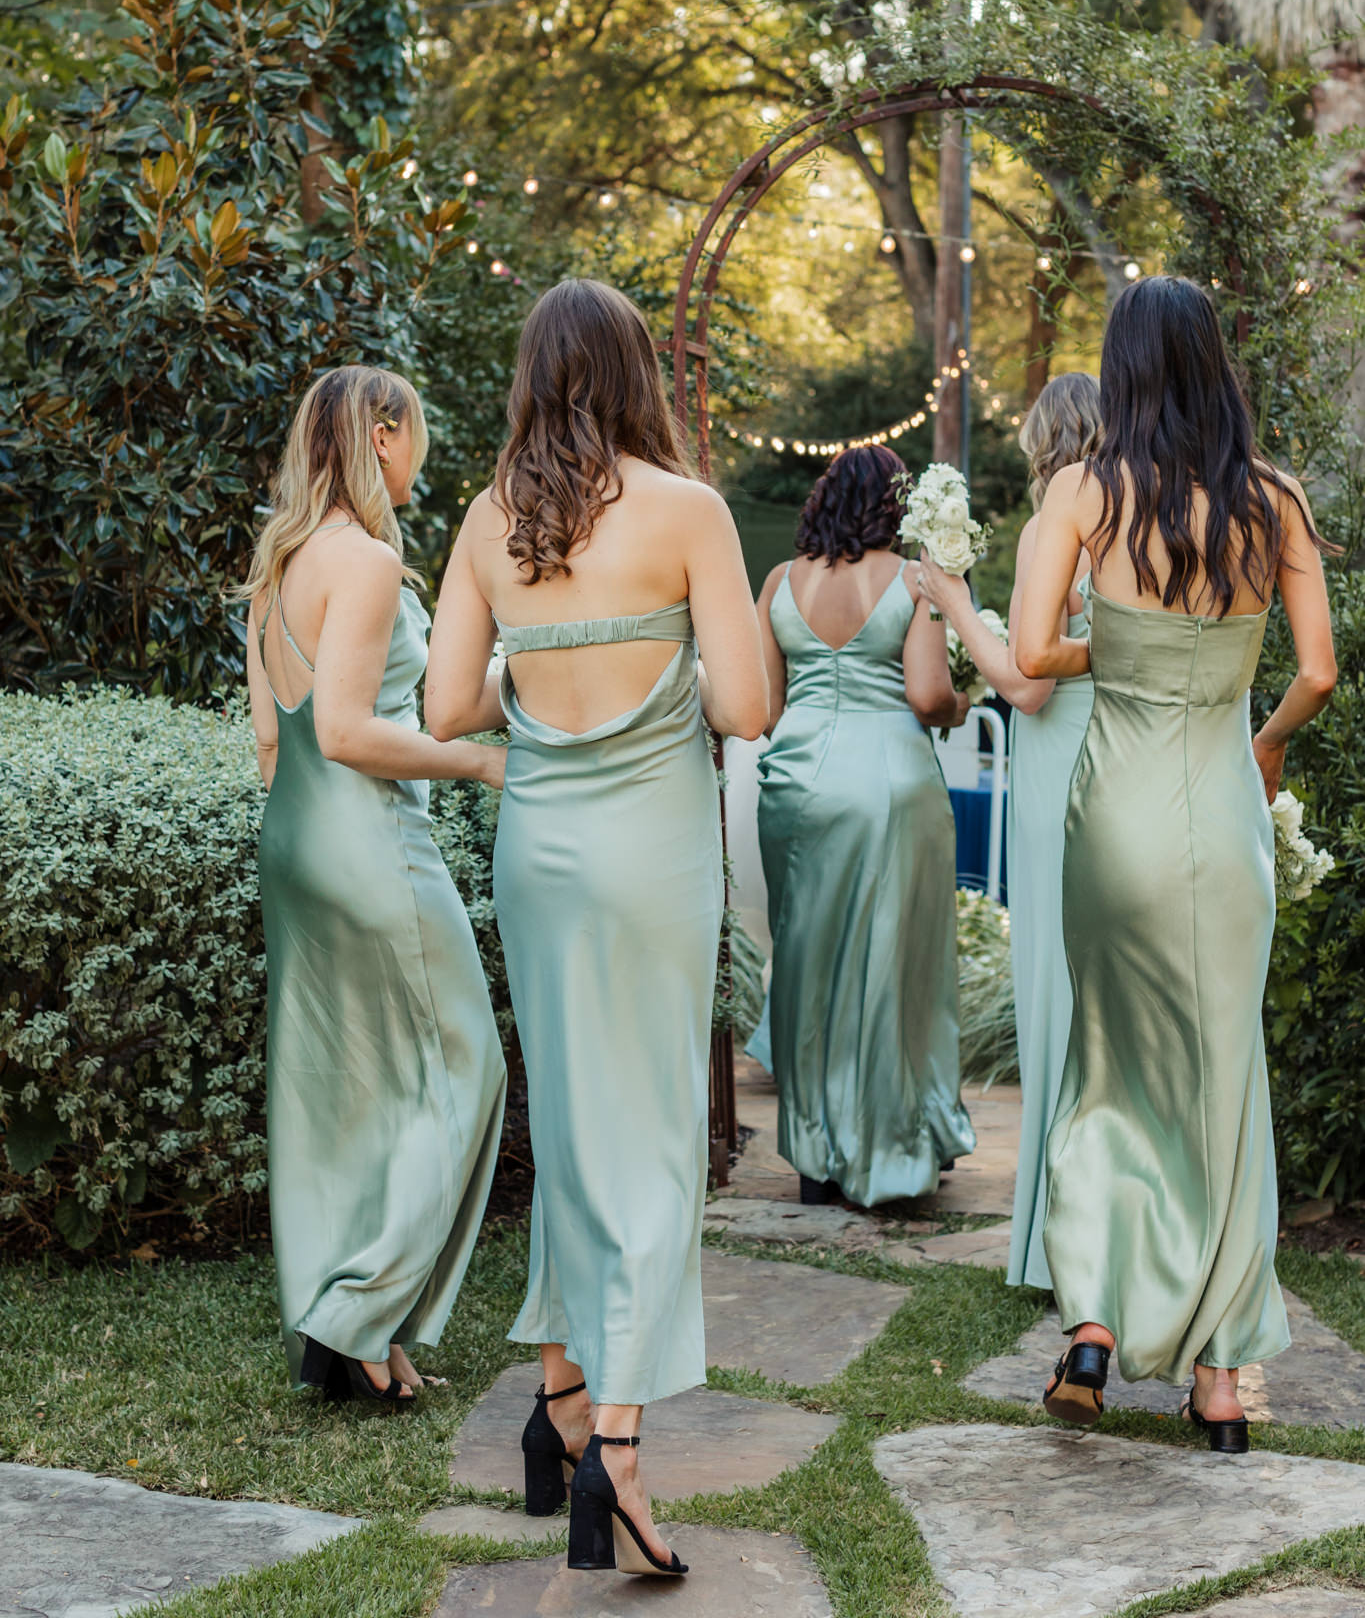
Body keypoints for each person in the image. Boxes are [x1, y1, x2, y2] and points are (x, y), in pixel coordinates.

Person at [426, 278, 767, 1576]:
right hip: (651, 857)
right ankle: (614, 1454)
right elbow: (739, 706)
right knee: (646, 1139)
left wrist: (544, 661)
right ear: (635, 377)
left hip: (541, 859)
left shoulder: (484, 520)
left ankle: (561, 1405)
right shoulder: (688, 513)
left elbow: (451, 705)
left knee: (571, 1123)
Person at [1016, 276, 1336, 1452]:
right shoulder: (1276, 501)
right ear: (1215, 364)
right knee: (1222, 1079)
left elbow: (1030, 649)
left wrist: (1120, 647)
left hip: (1119, 815)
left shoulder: (1085, 490)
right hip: (1221, 805)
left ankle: (1095, 1324)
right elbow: (1317, 670)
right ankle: (1217, 1380)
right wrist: (1259, 739)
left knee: (1111, 1065)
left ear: (1125, 369)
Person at [243, 365, 508, 1409]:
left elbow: (276, 739)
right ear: (383, 436)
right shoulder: (363, 560)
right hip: (368, 841)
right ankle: (359, 1310)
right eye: (418, 434)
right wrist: (484, 763)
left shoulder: (282, 562)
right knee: (464, 1067)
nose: (422, 453)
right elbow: (352, 732)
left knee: (354, 1092)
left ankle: (357, 1325)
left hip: (296, 839)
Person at [754, 444, 975, 1209]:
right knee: (893, 963)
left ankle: (816, 1155)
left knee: (808, 964)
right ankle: (893, 1144)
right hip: (888, 783)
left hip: (796, 784)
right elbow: (923, 695)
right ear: (897, 506)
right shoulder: (914, 579)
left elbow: (763, 709)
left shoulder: (779, 583)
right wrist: (961, 704)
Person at [919, 372, 1103, 1289]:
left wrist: (955, 604)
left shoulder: (1052, 524)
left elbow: (1026, 684)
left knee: (1054, 992)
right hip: (1119, 766)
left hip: (1057, 768)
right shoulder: (1140, 527)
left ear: (1043, 446)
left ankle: (1057, 1243)